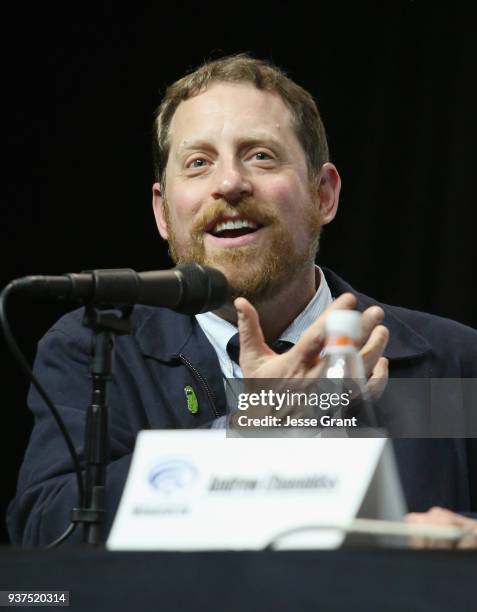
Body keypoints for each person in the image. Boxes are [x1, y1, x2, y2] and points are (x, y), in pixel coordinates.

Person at [7, 54, 477, 547]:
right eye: (198, 163)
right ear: (163, 212)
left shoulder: (454, 364)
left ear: (324, 196)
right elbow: (46, 531)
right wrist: (247, 427)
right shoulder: (98, 351)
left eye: (260, 155)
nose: (229, 183)